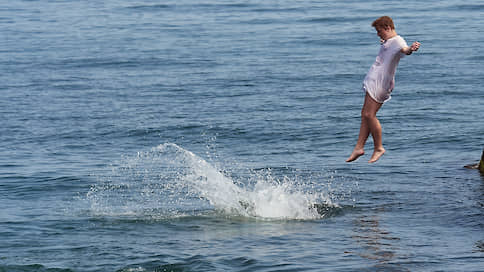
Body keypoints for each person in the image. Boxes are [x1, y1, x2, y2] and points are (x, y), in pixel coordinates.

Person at [346, 16, 420, 163]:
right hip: (376, 81)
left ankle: (378, 147)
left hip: (380, 83)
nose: (377, 34)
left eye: (379, 31)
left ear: (388, 28)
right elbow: (390, 47)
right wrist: (385, 42)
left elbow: (404, 49)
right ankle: (359, 147)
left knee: (369, 114)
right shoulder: (389, 41)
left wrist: (411, 49)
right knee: (365, 114)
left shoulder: (398, 41)